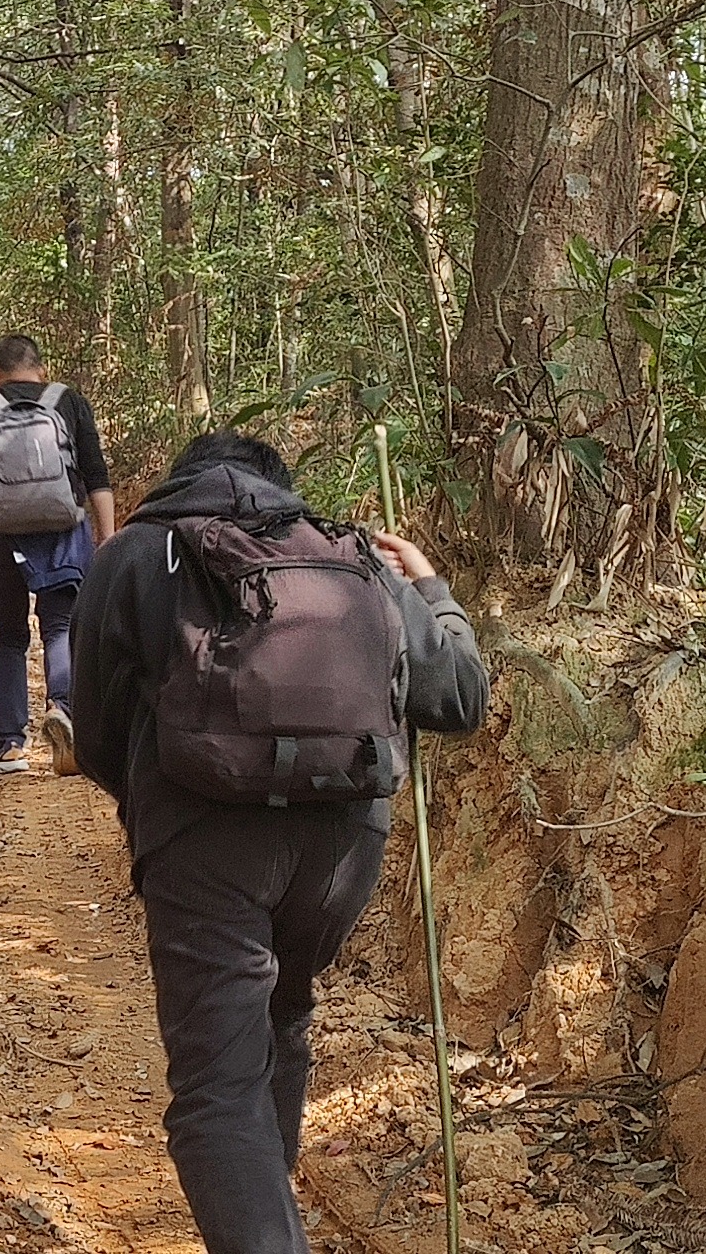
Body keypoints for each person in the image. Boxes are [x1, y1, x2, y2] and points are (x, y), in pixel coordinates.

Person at [69, 429, 489, 1254]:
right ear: (284, 491)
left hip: (203, 841)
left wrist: (158, 810)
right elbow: (460, 697)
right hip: (344, 848)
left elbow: (94, 735)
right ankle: (272, 1220)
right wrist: (433, 589)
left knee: (218, 1095)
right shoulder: (359, 560)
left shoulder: (135, 557)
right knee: (282, 1013)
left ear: (180, 482)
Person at [0, 335, 117, 775]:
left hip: (3, 535)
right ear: (41, 368)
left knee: (9, 636)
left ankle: (9, 745)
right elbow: (95, 472)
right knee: (61, 626)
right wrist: (107, 538)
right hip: (64, 531)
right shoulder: (68, 401)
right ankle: (66, 712)